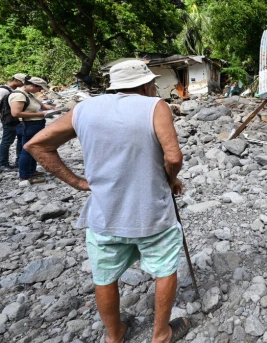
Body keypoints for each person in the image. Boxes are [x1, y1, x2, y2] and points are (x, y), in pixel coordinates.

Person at [24, 60, 191, 343]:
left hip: (104, 214)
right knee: (164, 269)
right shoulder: (155, 106)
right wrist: (170, 179)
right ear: (146, 84)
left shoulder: (84, 109)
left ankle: (114, 336)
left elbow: (36, 145)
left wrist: (78, 182)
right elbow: (173, 157)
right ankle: (160, 334)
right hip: (152, 212)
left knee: (105, 276)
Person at [9, 76, 55, 183]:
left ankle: (31, 171)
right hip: (28, 125)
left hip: (34, 124)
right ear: (33, 85)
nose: (40, 90)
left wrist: (53, 108)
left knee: (34, 148)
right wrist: (41, 114)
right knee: (27, 150)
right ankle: (25, 176)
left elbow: (41, 106)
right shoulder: (18, 95)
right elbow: (15, 113)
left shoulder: (28, 94)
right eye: (39, 88)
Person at [0, 73, 27, 171]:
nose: (23, 84)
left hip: (14, 119)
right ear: (15, 80)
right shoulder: (3, 91)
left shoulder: (12, 91)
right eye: (21, 82)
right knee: (7, 141)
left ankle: (18, 161)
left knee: (20, 138)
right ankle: (3, 163)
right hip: (8, 120)